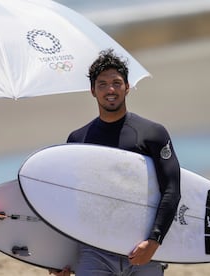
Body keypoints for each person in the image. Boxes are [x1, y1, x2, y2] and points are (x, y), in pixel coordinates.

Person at [49, 49, 181, 276]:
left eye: (116, 83)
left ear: (127, 87)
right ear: (92, 91)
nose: (110, 90)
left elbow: (171, 189)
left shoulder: (152, 133)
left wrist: (154, 242)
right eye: (102, 84)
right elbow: (70, 200)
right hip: (94, 250)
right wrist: (61, 258)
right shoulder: (78, 140)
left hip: (142, 247)